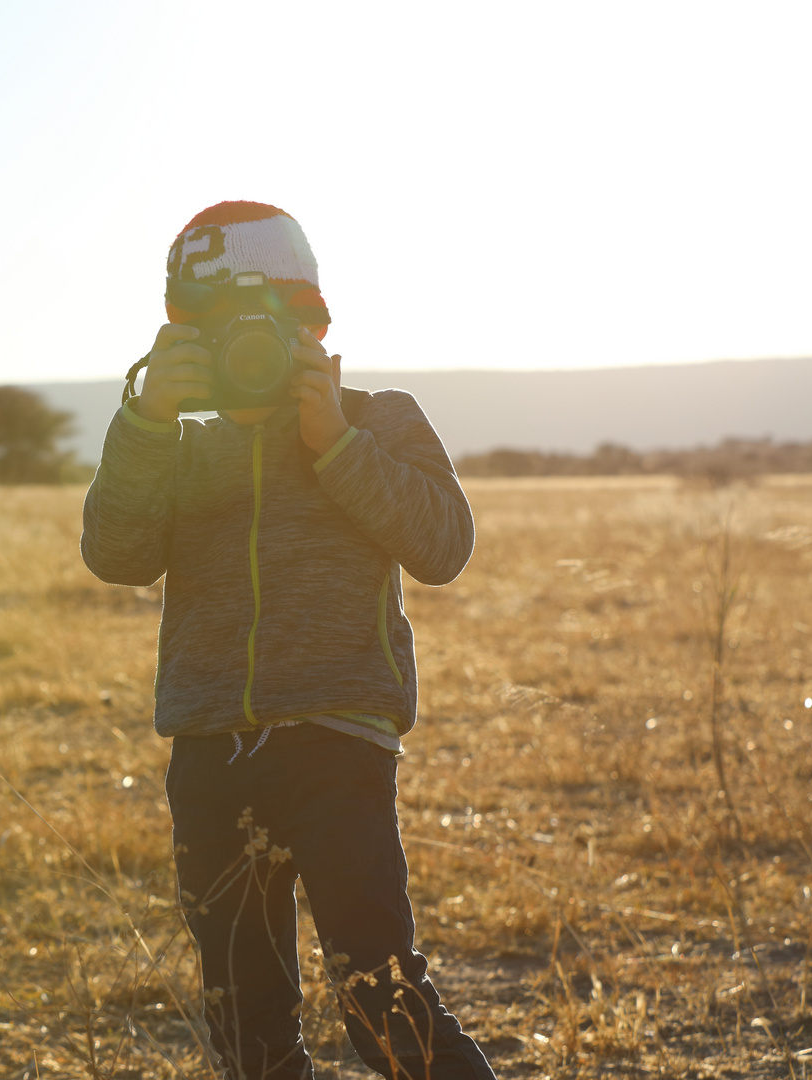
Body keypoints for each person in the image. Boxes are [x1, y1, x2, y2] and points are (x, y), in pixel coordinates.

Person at [80, 201, 495, 1080]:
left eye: (261, 326)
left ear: (308, 321)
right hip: (208, 752)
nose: (244, 350)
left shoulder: (377, 420)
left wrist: (335, 445)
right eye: (212, 332)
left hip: (338, 745)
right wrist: (148, 420)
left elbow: (444, 547)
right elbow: (115, 554)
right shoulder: (179, 448)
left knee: (383, 999)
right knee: (245, 1024)